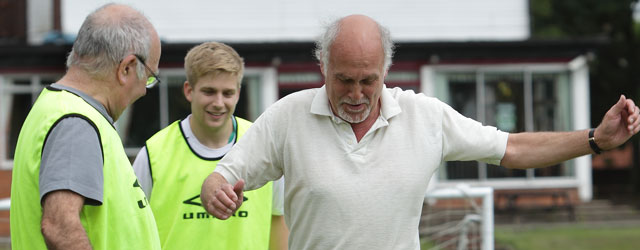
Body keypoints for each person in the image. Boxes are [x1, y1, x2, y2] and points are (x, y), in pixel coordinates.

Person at [200, 14, 640, 249]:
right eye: (344, 80)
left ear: (385, 71)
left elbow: (512, 148)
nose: (356, 93)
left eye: (367, 80)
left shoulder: (425, 117)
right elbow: (224, 173)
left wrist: (595, 140)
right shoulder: (286, 117)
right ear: (323, 68)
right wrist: (214, 187)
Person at [10, 4, 162, 250]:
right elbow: (59, 226)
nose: (145, 89)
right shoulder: (76, 122)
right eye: (149, 77)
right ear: (126, 68)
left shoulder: (62, 110)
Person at [132, 41, 289, 250]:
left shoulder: (263, 146)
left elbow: (279, 221)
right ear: (189, 90)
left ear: (238, 93)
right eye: (209, 91)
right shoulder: (153, 154)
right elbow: (134, 231)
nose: (218, 102)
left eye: (227, 93)